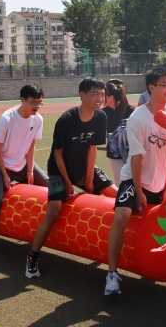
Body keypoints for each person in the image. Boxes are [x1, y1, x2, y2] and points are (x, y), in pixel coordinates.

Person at [26, 77, 118, 278]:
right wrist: (68, 183)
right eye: (95, 94)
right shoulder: (66, 119)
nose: (100, 98)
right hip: (59, 170)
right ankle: (33, 256)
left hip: (82, 167)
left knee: (118, 197)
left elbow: (92, 149)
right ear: (82, 95)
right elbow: (58, 154)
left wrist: (90, 177)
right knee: (53, 212)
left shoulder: (101, 116)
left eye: (102, 94)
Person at [105, 67, 166, 295]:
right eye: (165, 85)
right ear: (151, 87)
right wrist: (138, 191)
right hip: (134, 179)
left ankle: (155, 265)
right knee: (121, 216)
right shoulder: (138, 117)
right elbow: (136, 158)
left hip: (160, 182)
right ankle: (112, 274)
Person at [0, 84, 48, 254]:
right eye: (33, 102)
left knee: (49, 185)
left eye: (40, 102)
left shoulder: (38, 119)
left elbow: (31, 145)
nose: (37, 106)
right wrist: (5, 175)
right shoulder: (7, 118)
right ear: (22, 100)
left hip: (22, 163)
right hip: (1, 164)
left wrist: (30, 170)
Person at [103, 79, 135, 184]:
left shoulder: (131, 111)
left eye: (103, 95)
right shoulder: (103, 113)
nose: (101, 98)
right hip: (114, 154)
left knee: (133, 180)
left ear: (111, 97)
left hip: (131, 153)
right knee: (120, 182)